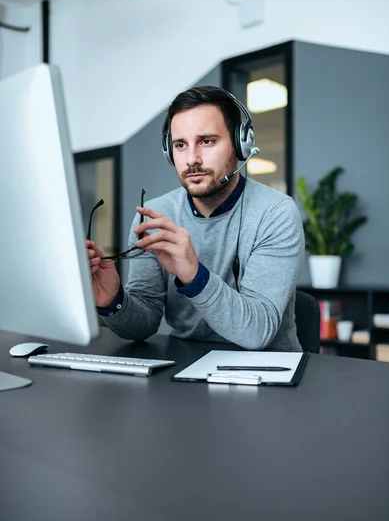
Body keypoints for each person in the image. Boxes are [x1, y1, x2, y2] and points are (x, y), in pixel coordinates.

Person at [86, 86, 304, 350]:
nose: (192, 159)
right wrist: (113, 300)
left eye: (207, 141)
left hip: (269, 375)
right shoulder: (156, 216)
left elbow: (257, 332)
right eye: (180, 145)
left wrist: (194, 274)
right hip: (184, 366)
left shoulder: (275, 212)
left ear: (240, 145)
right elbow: (143, 325)